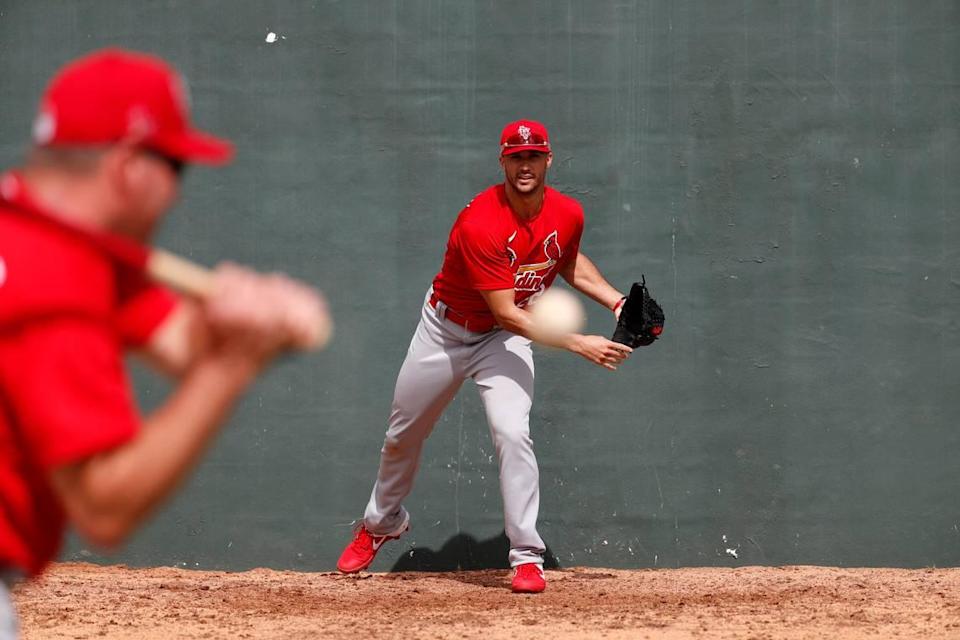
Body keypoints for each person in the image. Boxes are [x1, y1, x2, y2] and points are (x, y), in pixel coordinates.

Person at [0, 49, 327, 637]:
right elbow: (104, 508)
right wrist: (231, 366)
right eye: (176, 167)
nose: (177, 193)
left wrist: (239, 322)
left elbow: (179, 342)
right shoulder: (53, 281)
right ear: (128, 166)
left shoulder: (30, 222)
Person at [336, 119, 632, 593]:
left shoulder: (568, 212)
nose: (525, 164)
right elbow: (508, 312)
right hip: (446, 331)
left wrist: (618, 302)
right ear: (503, 162)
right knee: (401, 436)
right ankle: (381, 522)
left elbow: (567, 259)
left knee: (513, 432)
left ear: (548, 159)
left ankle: (526, 556)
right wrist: (581, 343)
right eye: (516, 157)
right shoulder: (481, 223)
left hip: (503, 340)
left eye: (533, 155)